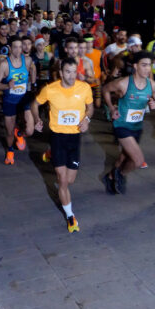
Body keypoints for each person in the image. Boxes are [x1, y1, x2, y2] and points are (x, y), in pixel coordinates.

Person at [32, 57, 94, 233]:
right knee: (62, 181)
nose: (72, 75)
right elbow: (34, 104)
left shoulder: (84, 88)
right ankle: (70, 216)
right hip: (57, 136)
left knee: (71, 179)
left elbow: (90, 107)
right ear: (61, 73)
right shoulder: (50, 90)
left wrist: (87, 119)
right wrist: (37, 119)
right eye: (68, 71)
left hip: (74, 138)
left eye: (74, 71)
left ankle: (50, 153)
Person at [101, 51, 155, 194]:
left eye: (149, 65)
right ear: (135, 66)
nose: (147, 69)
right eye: (144, 65)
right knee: (137, 160)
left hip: (137, 127)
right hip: (122, 125)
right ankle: (121, 175)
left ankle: (110, 176)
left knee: (125, 157)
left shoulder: (152, 85)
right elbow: (105, 89)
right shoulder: (123, 83)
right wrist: (112, 108)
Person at [0, 36, 36, 165]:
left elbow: (32, 69)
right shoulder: (4, 64)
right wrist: (6, 86)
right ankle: (10, 151)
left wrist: (33, 81)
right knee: (9, 132)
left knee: (29, 130)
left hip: (23, 99)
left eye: (20, 47)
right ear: (10, 48)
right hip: (9, 101)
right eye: (15, 47)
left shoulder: (27, 60)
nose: (18, 50)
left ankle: (20, 133)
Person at [83, 34, 104, 107]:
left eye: (91, 42)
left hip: (96, 80)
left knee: (98, 105)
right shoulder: (81, 54)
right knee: (86, 104)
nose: (89, 44)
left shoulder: (99, 53)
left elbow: (101, 66)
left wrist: (102, 76)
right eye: (87, 42)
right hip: (85, 81)